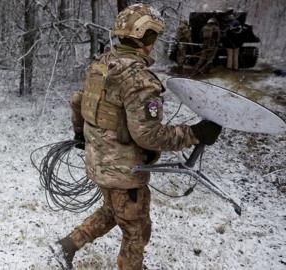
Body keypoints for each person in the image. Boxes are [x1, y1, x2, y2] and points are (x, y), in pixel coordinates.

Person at [49, 3, 222, 270]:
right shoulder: (138, 80)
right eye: (152, 36)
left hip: (99, 163)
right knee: (137, 230)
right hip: (124, 172)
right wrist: (194, 134)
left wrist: (80, 134)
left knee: (112, 212)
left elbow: (77, 101)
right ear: (143, 38)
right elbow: (149, 137)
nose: (153, 43)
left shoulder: (102, 64)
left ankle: (66, 247)